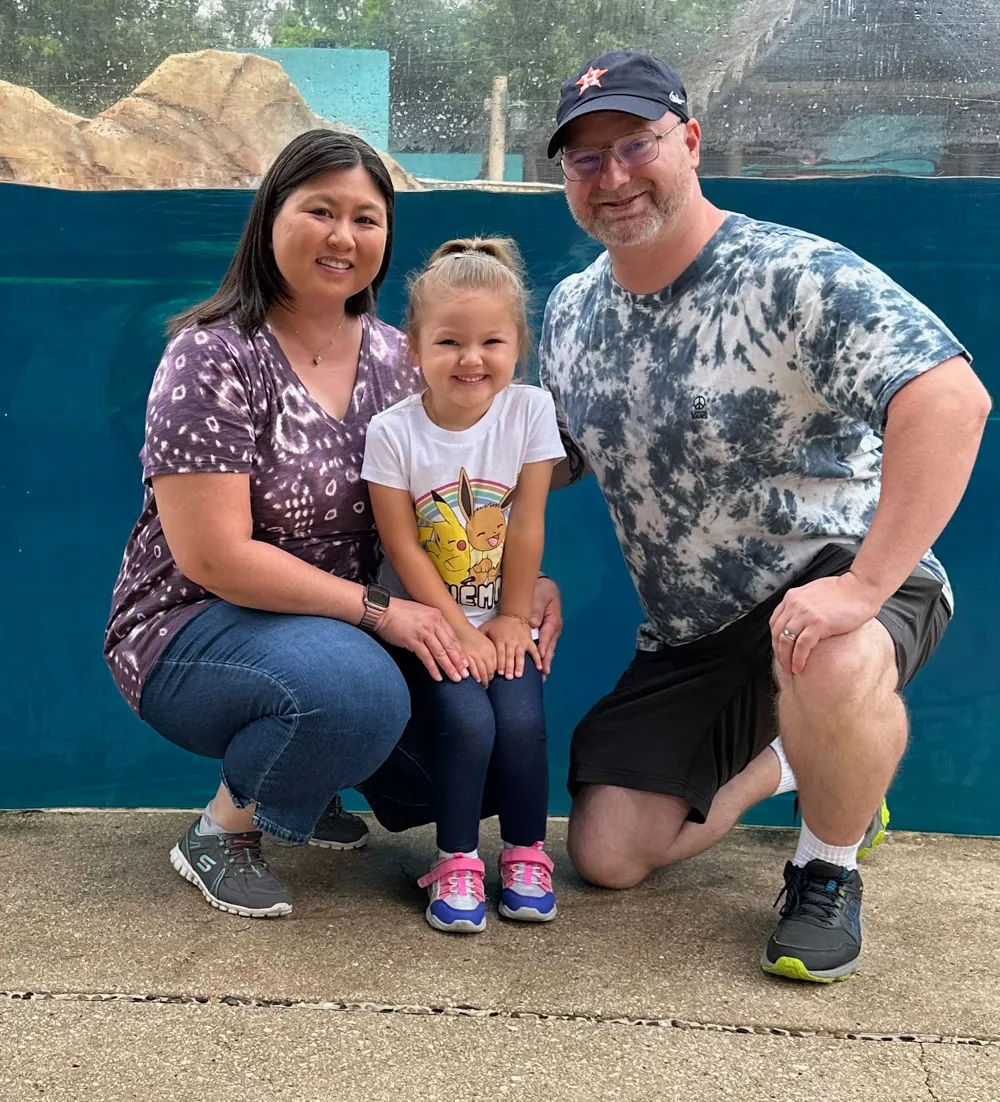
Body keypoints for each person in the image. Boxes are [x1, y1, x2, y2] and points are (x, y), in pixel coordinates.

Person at [540, 50, 991, 982]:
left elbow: (951, 399)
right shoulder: (573, 310)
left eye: (635, 145)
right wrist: (501, 578)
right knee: (609, 856)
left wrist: (863, 587)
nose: (613, 176)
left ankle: (826, 864)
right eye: (586, 160)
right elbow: (558, 462)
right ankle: (802, 766)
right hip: (695, 632)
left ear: (690, 140)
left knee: (832, 654)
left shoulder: (790, 273)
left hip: (844, 578)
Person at [104, 129, 561, 920]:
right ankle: (222, 830)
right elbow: (215, 556)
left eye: (367, 217)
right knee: (356, 691)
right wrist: (382, 612)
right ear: (270, 217)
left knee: (487, 740)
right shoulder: (211, 356)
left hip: (352, 626)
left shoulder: (403, 357)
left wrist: (510, 592)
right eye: (320, 210)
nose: (344, 236)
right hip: (198, 625)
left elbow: (464, 496)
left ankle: (304, 780)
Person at [362, 238, 565, 933]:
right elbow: (403, 544)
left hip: (500, 615)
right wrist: (455, 627)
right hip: (427, 618)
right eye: (448, 341)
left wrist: (512, 618)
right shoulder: (392, 431)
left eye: (491, 341)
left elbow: (527, 525)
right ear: (413, 348)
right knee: (468, 721)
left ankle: (527, 853)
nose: (471, 358)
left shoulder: (530, 411)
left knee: (522, 721)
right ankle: (455, 860)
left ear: (518, 347)